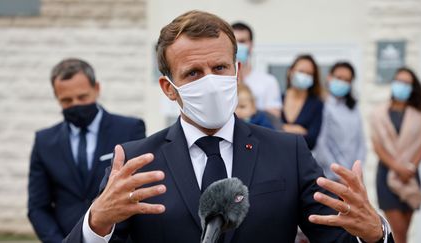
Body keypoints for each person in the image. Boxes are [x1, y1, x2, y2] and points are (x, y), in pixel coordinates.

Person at [64, 11, 393, 243]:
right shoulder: (138, 163)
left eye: (220, 67)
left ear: (236, 70)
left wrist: (374, 234)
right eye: (193, 73)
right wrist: (97, 223)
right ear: (168, 88)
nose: (210, 81)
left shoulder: (287, 153)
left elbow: (335, 237)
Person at [27, 58, 146, 243]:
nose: (75, 104)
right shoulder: (44, 141)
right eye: (66, 100)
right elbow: (37, 207)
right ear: (56, 97)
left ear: (96, 88)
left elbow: (139, 189)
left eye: (82, 97)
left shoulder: (130, 129)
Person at [371, 67, 421, 243]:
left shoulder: (419, 116)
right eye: (399, 81)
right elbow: (377, 146)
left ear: (412, 88)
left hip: (410, 176)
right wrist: (397, 168)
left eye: (406, 83)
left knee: (405, 230)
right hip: (387, 174)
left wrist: (410, 168)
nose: (401, 86)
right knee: (398, 231)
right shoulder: (378, 114)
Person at [313, 62, 366, 181]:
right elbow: (321, 144)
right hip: (330, 176)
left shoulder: (353, 108)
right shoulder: (322, 105)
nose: (342, 82)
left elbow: (360, 143)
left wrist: (356, 172)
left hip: (353, 176)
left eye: (347, 80)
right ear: (329, 77)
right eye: (339, 78)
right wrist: (339, 174)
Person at [232, 22, 282, 118]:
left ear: (251, 45)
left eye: (242, 41)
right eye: (234, 42)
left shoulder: (268, 81)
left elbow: (274, 117)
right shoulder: (221, 80)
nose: (238, 46)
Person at [281, 54, 324, 150]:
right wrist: (297, 131)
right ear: (290, 72)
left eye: (309, 74)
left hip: (301, 159)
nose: (304, 76)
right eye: (301, 71)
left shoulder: (316, 104)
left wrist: (283, 129)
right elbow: (268, 130)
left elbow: (311, 141)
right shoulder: (278, 98)